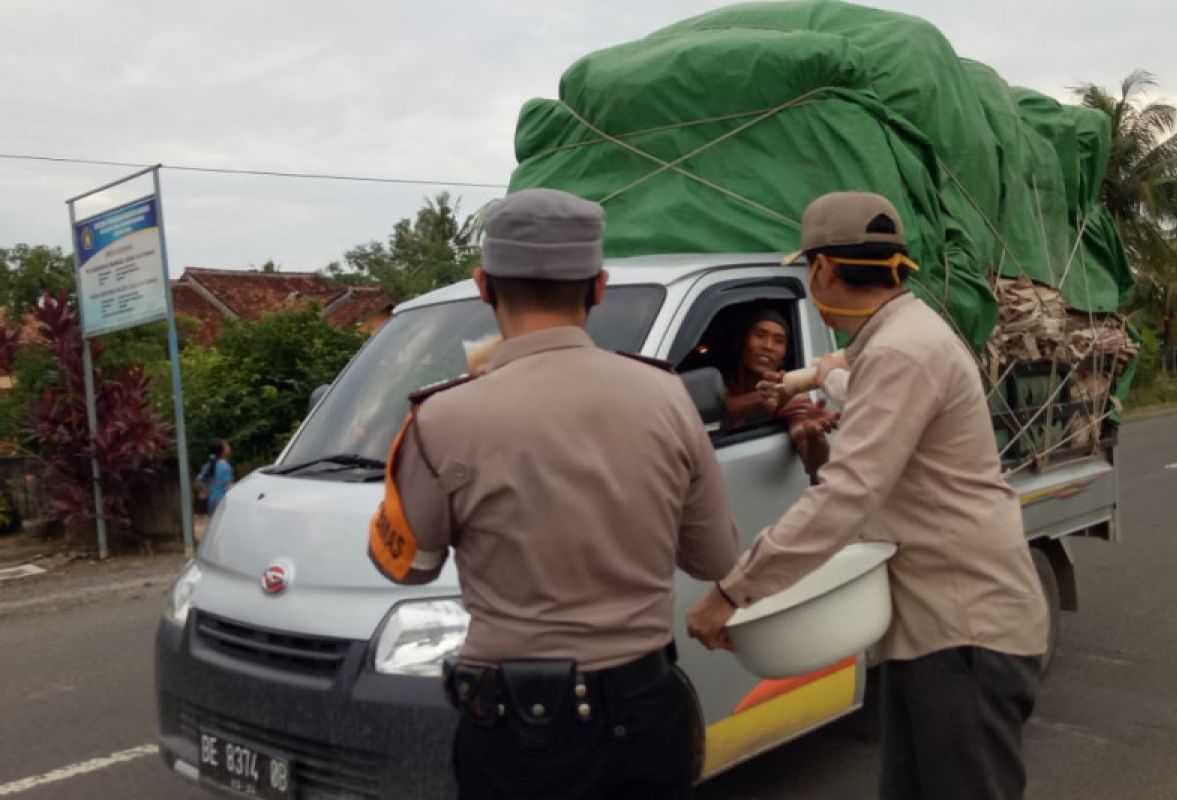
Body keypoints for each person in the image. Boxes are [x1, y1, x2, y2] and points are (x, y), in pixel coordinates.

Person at [367, 188, 740, 799]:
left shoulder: (443, 417)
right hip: (644, 713)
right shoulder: (668, 397)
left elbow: (405, 566)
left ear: (484, 286)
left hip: (513, 731)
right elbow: (716, 560)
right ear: (598, 286)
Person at [687, 192, 1048, 800]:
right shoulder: (899, 339)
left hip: (964, 632)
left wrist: (732, 591)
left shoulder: (902, 350)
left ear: (823, 268)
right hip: (934, 630)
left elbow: (846, 495)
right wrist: (829, 377)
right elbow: (879, 407)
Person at [721, 309, 838, 477]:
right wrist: (758, 400)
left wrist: (813, 435)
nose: (768, 346)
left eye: (778, 341)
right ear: (743, 342)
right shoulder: (721, 383)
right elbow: (706, 413)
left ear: (784, 355)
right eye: (760, 335)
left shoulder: (791, 396)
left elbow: (818, 467)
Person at [195, 439, 234, 514]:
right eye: (226, 445)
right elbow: (229, 487)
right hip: (223, 502)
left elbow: (198, 481)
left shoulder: (208, 465)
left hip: (211, 502)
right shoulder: (225, 466)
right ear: (222, 450)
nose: (229, 446)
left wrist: (204, 490)